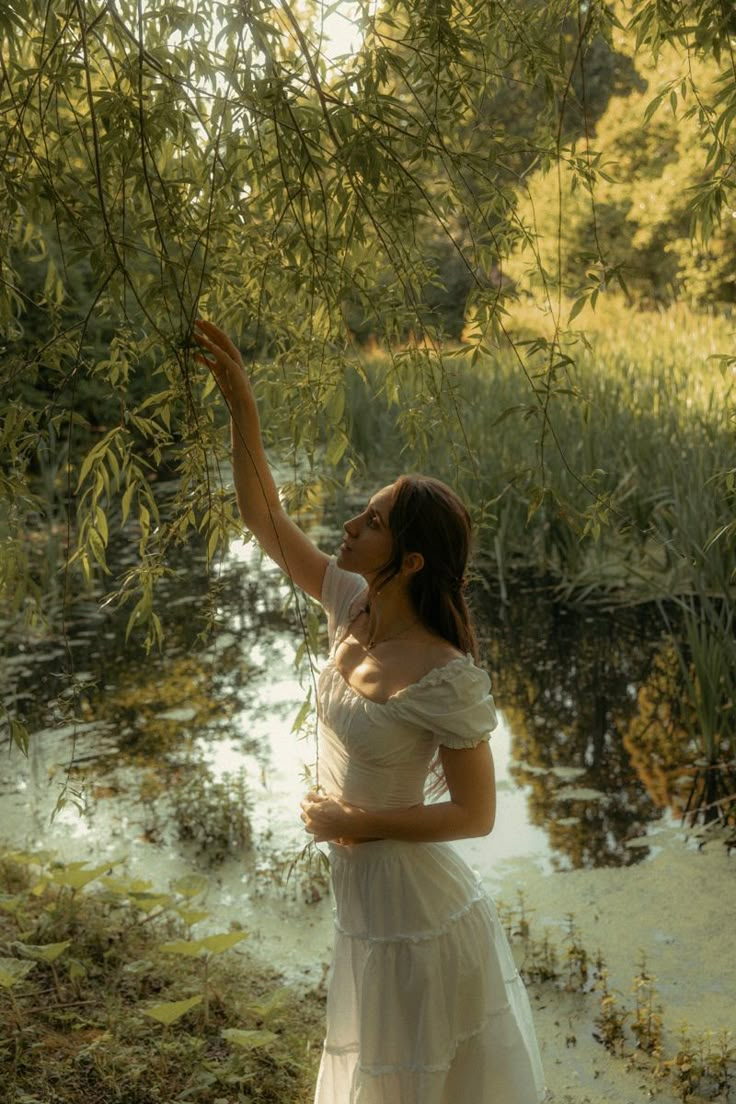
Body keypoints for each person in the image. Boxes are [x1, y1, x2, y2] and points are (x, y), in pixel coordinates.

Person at [194, 318, 547, 1104]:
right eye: (363, 511)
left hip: (420, 921)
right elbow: (266, 521)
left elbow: (477, 814)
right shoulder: (352, 604)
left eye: (374, 521)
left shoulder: (445, 673)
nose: (351, 524)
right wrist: (241, 405)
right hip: (370, 910)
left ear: (410, 560)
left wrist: (359, 820)